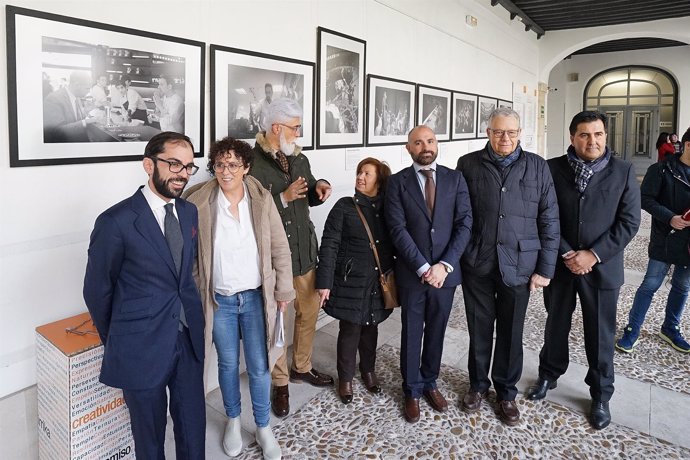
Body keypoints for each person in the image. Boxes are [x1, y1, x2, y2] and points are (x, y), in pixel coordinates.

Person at [83, 132, 205, 459]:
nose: (182, 173)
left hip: (188, 338)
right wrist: (120, 338)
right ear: (148, 165)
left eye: (189, 166)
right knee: (149, 438)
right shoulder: (116, 221)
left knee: (193, 427)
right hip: (140, 346)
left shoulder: (190, 213)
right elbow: (97, 291)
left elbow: (184, 275)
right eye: (174, 164)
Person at [526, 111, 641, 430]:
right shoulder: (551, 168)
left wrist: (593, 254)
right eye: (585, 135)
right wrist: (566, 252)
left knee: (601, 334)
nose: (592, 141)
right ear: (572, 137)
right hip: (561, 266)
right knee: (555, 325)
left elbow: (629, 222)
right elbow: (543, 215)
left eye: (599, 134)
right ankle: (548, 376)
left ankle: (601, 394)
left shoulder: (623, 171)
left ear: (606, 136)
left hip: (602, 270)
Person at [184, 137, 293, 460]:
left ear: (246, 167)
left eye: (233, 164)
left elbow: (279, 247)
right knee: (228, 365)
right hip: (221, 302)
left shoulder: (261, 198)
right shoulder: (199, 201)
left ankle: (262, 426)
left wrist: (283, 290)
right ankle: (233, 419)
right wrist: (196, 285)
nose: (225, 170)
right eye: (220, 164)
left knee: (260, 367)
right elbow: (189, 256)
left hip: (257, 299)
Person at [456, 107, 560, 426]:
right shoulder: (468, 164)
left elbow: (549, 219)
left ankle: (506, 392)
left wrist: (545, 268)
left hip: (520, 263)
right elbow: (459, 214)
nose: (505, 138)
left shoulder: (538, 167)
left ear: (520, 134)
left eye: (511, 132)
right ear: (488, 132)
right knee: (479, 328)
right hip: (478, 261)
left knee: (512, 333)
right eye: (498, 132)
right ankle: (477, 385)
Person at [249, 98, 334, 417]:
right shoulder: (251, 163)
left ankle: (302, 367)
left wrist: (318, 189)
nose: (299, 133)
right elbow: (246, 209)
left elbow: (309, 193)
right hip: (273, 259)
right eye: (295, 127)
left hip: (304, 251)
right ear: (276, 128)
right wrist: (282, 198)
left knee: (309, 313)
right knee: (276, 324)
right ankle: (281, 381)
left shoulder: (299, 158)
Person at [385, 125, 472, 423]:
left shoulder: (455, 178)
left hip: (445, 274)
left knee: (437, 329)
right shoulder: (397, 183)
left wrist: (444, 265)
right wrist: (423, 267)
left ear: (437, 144)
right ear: (408, 148)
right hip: (413, 273)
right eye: (418, 142)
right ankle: (411, 389)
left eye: (430, 140)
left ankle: (430, 381)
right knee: (411, 332)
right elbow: (397, 230)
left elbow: (464, 225)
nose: (425, 146)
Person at [316, 158, 394, 404]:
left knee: (371, 328)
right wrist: (325, 282)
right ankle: (346, 378)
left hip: (376, 281)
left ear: (379, 181)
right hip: (350, 281)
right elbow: (329, 245)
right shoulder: (343, 207)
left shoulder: (389, 209)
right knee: (350, 330)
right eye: (359, 172)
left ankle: (368, 371)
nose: (360, 177)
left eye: (367, 174)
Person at [616, 127, 690, 355]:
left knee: (682, 286)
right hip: (666, 238)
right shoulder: (661, 169)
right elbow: (645, 199)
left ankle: (670, 328)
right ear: (688, 145)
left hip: (689, 244)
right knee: (650, 284)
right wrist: (670, 218)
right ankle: (632, 329)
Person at [43, 70, 97, 143]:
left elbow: (73, 121)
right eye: (87, 88)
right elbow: (57, 131)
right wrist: (86, 122)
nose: (89, 92)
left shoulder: (76, 97)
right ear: (77, 85)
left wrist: (85, 112)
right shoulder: (53, 99)